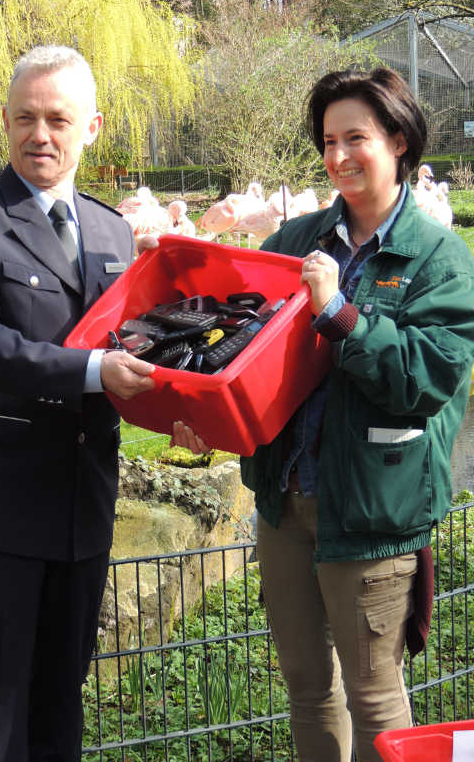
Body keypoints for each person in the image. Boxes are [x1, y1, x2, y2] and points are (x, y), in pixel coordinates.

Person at [173, 68, 474, 761]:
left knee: (374, 697)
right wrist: (206, 415)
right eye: (328, 140)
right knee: (306, 689)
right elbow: (244, 357)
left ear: (397, 141)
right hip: (284, 504)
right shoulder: (294, 238)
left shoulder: (437, 260)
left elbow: (424, 382)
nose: (338, 156)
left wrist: (341, 314)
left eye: (357, 138)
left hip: (372, 513)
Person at [0, 45, 157, 762]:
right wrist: (100, 370)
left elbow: (135, 344)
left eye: (58, 119)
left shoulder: (111, 231)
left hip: (81, 499)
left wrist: (182, 407)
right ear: (5, 122)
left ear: (93, 127)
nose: (39, 134)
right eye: (24, 118)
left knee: (60, 699)